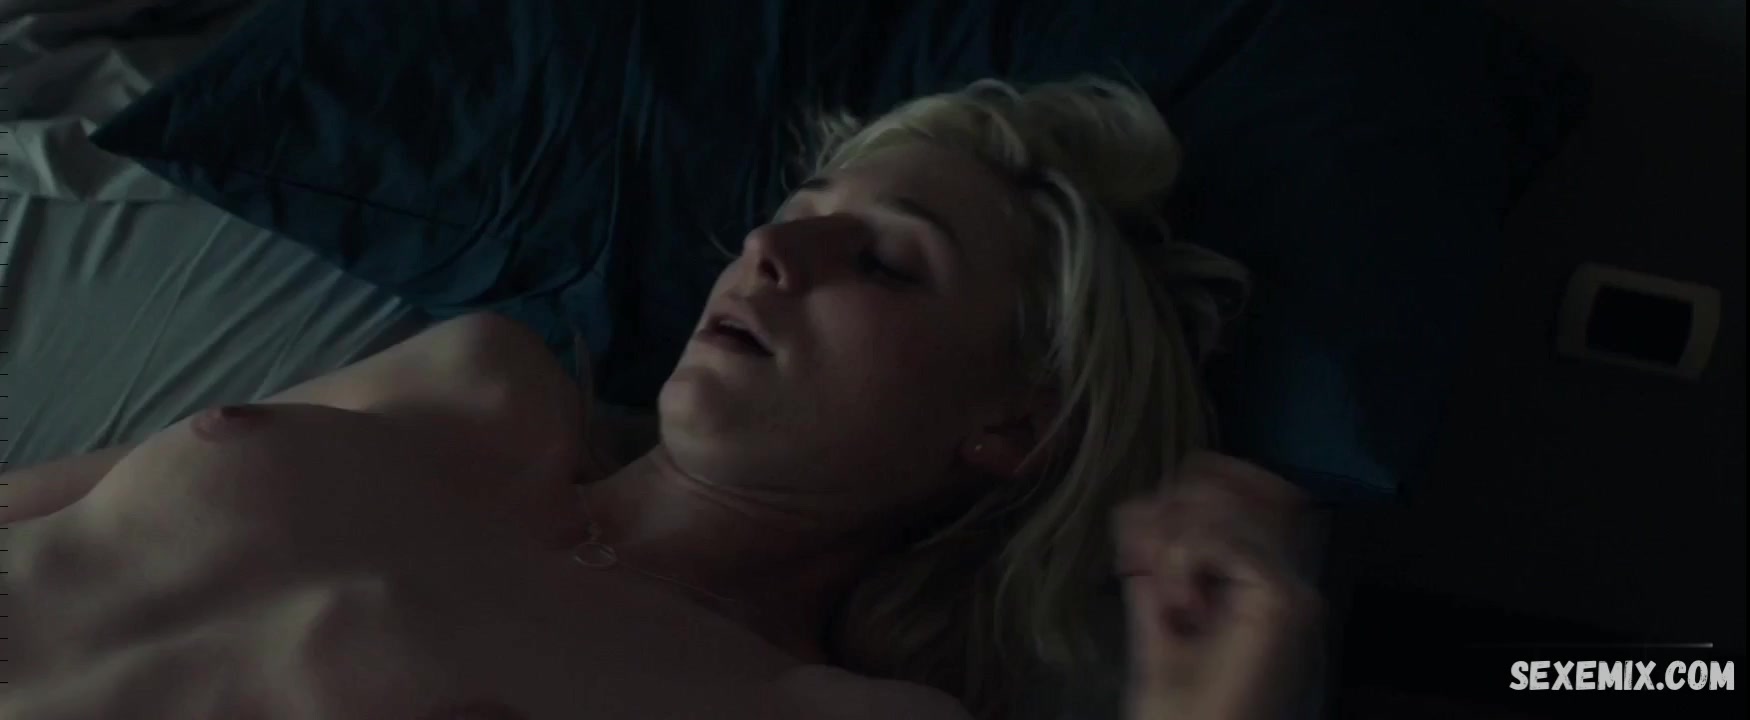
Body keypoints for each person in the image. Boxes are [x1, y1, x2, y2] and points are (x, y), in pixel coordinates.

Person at [0, 78, 1322, 719]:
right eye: (796, 210)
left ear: (1010, 427)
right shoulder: (475, 386)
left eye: (885, 263)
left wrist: (1228, 694)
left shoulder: (805, 706)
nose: (771, 250)